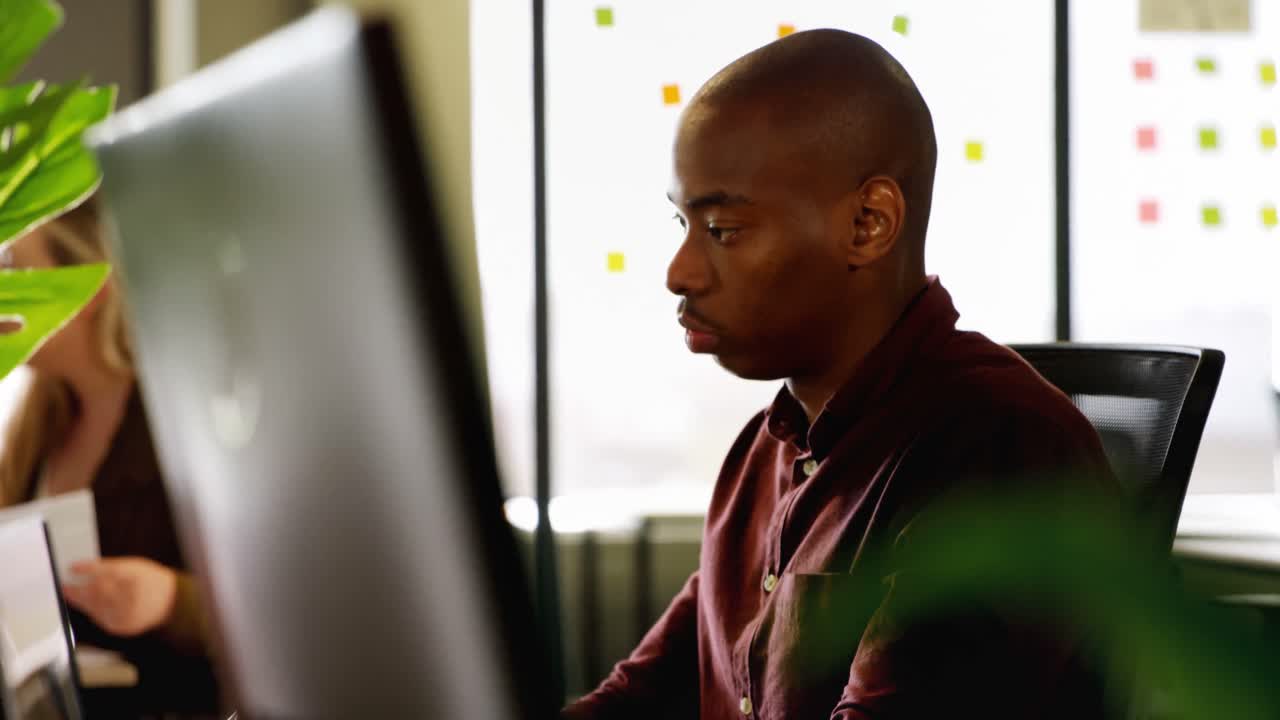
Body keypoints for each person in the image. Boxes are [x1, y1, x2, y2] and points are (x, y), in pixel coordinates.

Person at [564, 29, 1119, 719]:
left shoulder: (996, 450)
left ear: (867, 223)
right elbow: (640, 698)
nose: (678, 271)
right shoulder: (762, 453)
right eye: (682, 222)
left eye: (723, 230)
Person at [0, 195, 220, 713]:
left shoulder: (182, 418)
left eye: (16, 268)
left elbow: (286, 610)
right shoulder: (37, 426)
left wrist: (168, 600)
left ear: (91, 285)